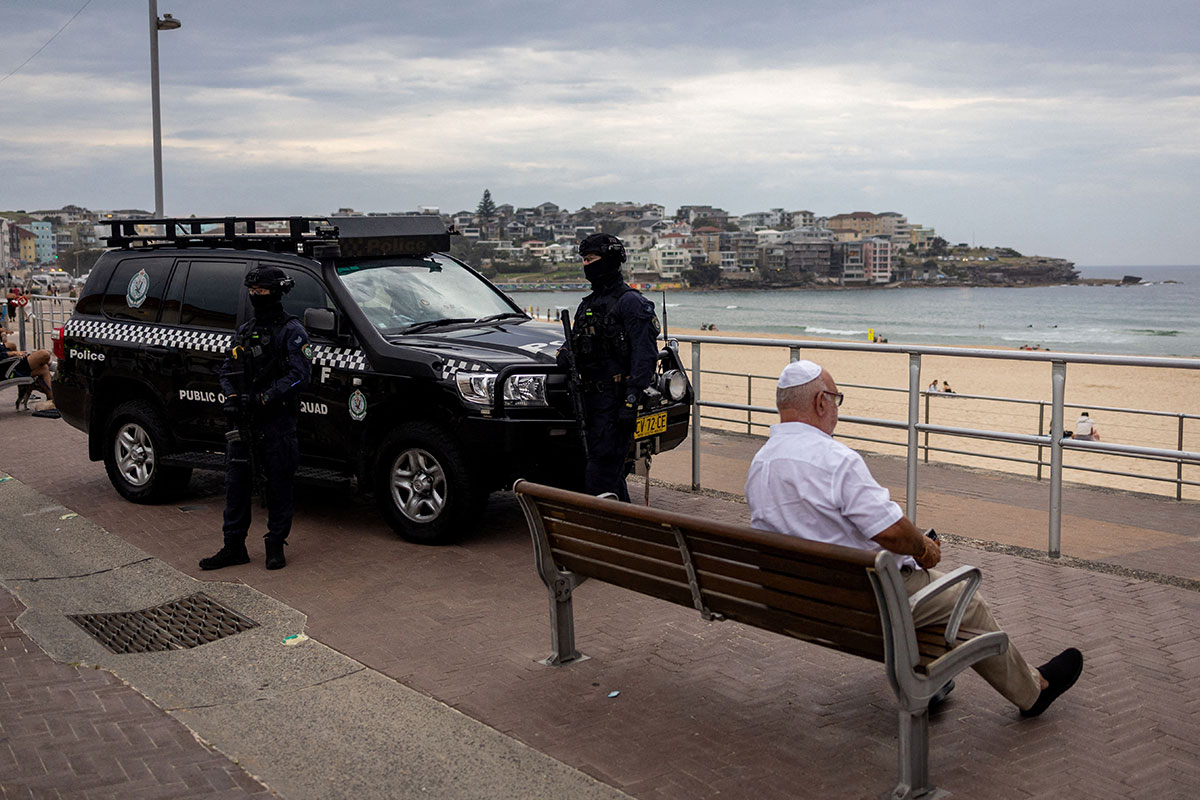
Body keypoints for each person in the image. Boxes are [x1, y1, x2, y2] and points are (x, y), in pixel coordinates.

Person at [744, 360, 1083, 718]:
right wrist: (923, 548)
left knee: (931, 597)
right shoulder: (836, 461)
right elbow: (890, 531)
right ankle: (1033, 691)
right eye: (837, 400)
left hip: (797, 599)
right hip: (865, 601)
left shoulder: (761, 463)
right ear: (821, 403)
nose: (837, 412)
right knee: (964, 601)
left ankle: (932, 681)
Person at [200, 266, 312, 571]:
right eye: (252, 293)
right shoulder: (245, 331)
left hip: (277, 422)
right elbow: (227, 369)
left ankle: (275, 544)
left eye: (261, 292)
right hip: (244, 422)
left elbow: (300, 376)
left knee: (278, 485)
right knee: (236, 485)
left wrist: (265, 397)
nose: (255, 297)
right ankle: (233, 546)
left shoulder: (292, 331)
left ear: (275, 294)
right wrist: (234, 397)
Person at [561, 233, 660, 502]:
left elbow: (645, 358)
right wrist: (565, 354)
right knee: (609, 475)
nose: (587, 265)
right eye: (584, 260)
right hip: (589, 402)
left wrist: (630, 400)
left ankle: (604, 533)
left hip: (616, 404)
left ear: (611, 260)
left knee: (600, 476)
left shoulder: (632, 303)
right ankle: (625, 528)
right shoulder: (587, 306)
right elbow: (574, 346)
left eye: (591, 259)